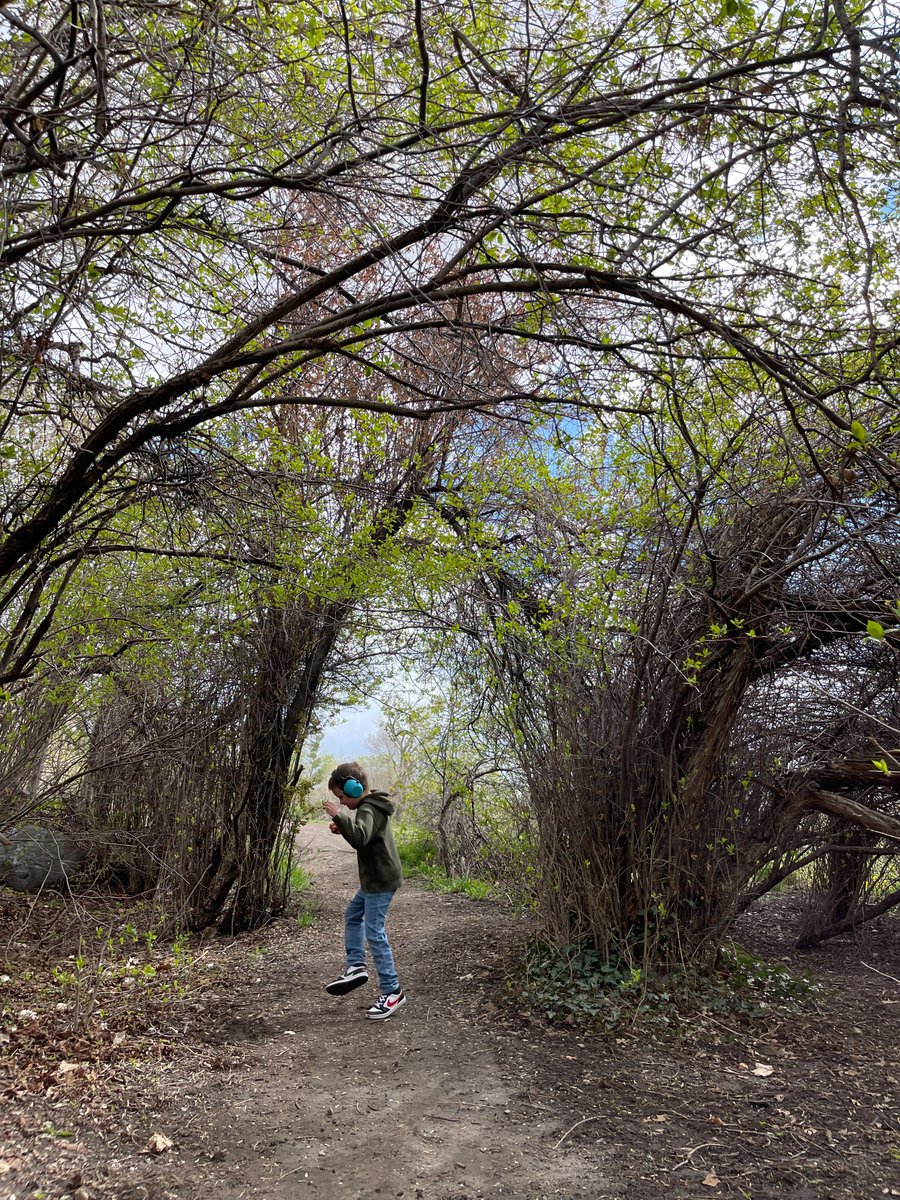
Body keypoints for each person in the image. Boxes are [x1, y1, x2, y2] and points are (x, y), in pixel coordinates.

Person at [322, 761, 405, 1020]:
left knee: (375, 932)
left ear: (355, 788)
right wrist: (344, 828)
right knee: (352, 916)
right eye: (340, 799)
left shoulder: (368, 808)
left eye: (343, 796)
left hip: (380, 880)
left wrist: (339, 816)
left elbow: (360, 838)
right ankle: (356, 966)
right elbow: (362, 837)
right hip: (374, 880)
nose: (343, 801)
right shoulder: (370, 807)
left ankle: (393, 991)